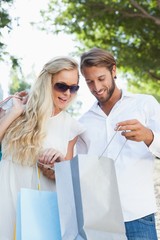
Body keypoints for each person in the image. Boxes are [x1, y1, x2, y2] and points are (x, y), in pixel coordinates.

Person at [77, 47, 160, 240]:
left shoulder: (144, 104)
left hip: (138, 215)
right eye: (89, 82)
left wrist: (148, 136)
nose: (96, 87)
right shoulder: (83, 123)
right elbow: (80, 170)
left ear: (113, 71)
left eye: (101, 78)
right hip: (99, 219)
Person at [0, 56, 85, 239]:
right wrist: (14, 113)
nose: (67, 93)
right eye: (61, 86)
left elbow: (68, 184)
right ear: (47, 82)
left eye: (74, 88)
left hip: (41, 214)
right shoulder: (15, 108)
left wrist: (58, 164)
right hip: (5, 203)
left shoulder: (71, 127)